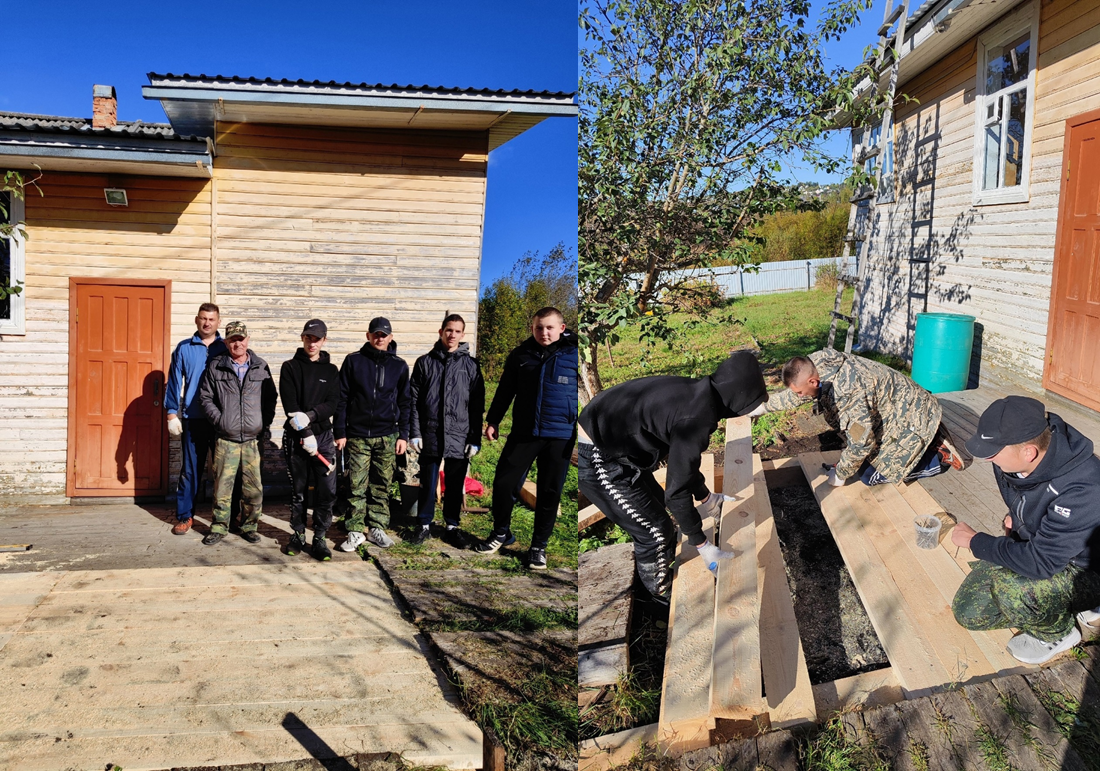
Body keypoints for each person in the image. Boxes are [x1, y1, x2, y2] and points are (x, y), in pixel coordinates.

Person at [577, 351, 767, 603]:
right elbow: (676, 491)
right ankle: (657, 596)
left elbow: (683, 464)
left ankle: (658, 572)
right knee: (656, 530)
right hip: (598, 454)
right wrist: (702, 544)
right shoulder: (696, 418)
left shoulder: (697, 393)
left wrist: (706, 497)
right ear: (737, 401)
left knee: (655, 506)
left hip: (615, 439)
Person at [950, 395, 1100, 664]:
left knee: (1013, 589)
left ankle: (1059, 633)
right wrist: (1016, 519)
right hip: (1047, 548)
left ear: (1029, 452)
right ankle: (1062, 606)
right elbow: (1030, 502)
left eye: (993, 452)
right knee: (968, 612)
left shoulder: (1085, 487)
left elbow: (1040, 563)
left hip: (1088, 568)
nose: (988, 460)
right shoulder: (1012, 464)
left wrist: (977, 542)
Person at [760, 349, 964, 488]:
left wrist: (840, 476)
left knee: (869, 476)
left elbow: (861, 442)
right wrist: (761, 407)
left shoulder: (848, 391)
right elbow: (796, 392)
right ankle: (925, 443)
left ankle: (938, 456)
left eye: (800, 393)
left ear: (813, 381)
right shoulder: (819, 364)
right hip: (896, 409)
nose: (799, 397)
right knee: (860, 461)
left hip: (914, 417)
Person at [474, 307, 577, 570]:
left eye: (550, 327)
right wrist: (493, 420)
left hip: (560, 436)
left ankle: (538, 547)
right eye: (539, 327)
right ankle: (501, 533)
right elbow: (505, 389)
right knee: (504, 483)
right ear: (532, 328)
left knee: (549, 492)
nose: (544, 332)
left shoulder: (575, 354)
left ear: (561, 328)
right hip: (524, 432)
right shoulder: (520, 355)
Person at [334, 317, 411, 551]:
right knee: (356, 485)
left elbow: (405, 402)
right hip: (357, 435)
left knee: (381, 484)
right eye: (376, 334)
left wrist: (403, 435)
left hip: (387, 435)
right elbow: (342, 399)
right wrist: (340, 431)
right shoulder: (353, 361)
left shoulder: (399, 366)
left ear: (390, 337)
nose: (380, 338)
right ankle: (355, 530)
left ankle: (377, 527)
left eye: (384, 334)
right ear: (368, 336)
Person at [197, 321, 277, 546]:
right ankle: (219, 527)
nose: (237, 343)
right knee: (222, 487)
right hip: (226, 439)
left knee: (253, 489)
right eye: (232, 339)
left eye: (241, 339)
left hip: (253, 440)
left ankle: (249, 526)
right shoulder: (216, 366)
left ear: (247, 340)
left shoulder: (261, 366)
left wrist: (263, 423)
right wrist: (220, 421)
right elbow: (205, 397)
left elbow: (270, 398)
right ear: (226, 342)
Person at [408, 314, 485, 546]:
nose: (452, 335)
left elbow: (476, 405)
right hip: (430, 432)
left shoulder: (471, 366)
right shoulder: (424, 362)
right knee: (428, 482)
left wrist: (474, 438)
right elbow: (413, 400)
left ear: (462, 335)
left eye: (457, 331)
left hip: (459, 435)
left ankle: (452, 526)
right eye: (448, 330)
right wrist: (415, 431)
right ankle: (423, 525)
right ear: (441, 331)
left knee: (454, 483)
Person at [280, 319, 340, 561]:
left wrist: (312, 417)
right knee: (299, 490)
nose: (312, 342)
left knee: (326, 490)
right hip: (297, 437)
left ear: (324, 340)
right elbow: (290, 405)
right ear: (302, 338)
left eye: (316, 338)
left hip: (324, 436)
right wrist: (305, 433)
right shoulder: (290, 367)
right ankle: (297, 535)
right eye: (308, 337)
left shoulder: (331, 370)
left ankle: (319, 537)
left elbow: (333, 403)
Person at [165, 303, 227, 535]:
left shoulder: (226, 347)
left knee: (224, 470)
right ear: (196, 320)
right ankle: (185, 516)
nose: (207, 323)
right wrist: (172, 413)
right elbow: (174, 382)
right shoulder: (184, 348)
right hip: (194, 418)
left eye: (211, 319)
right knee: (190, 470)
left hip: (221, 420)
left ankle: (224, 518)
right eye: (203, 318)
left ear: (218, 322)